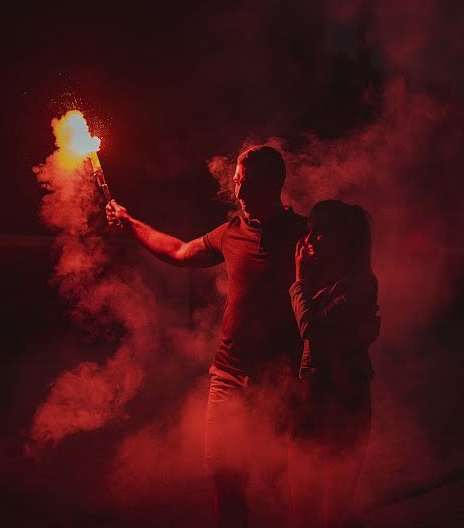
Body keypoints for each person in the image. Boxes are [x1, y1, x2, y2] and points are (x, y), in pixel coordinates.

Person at [106, 145, 306, 528]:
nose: (241, 195)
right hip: (228, 377)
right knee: (226, 477)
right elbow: (180, 251)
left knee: (282, 481)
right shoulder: (230, 233)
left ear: (276, 184)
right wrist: (132, 224)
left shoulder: (303, 234)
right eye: (237, 184)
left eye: (250, 186)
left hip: (279, 380)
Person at [287, 200, 379, 528]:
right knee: (303, 500)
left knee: (335, 504)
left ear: (345, 240)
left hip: (344, 397)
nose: (310, 240)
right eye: (310, 232)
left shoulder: (359, 284)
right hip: (314, 396)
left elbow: (311, 328)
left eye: (321, 234)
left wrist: (299, 281)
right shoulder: (323, 282)